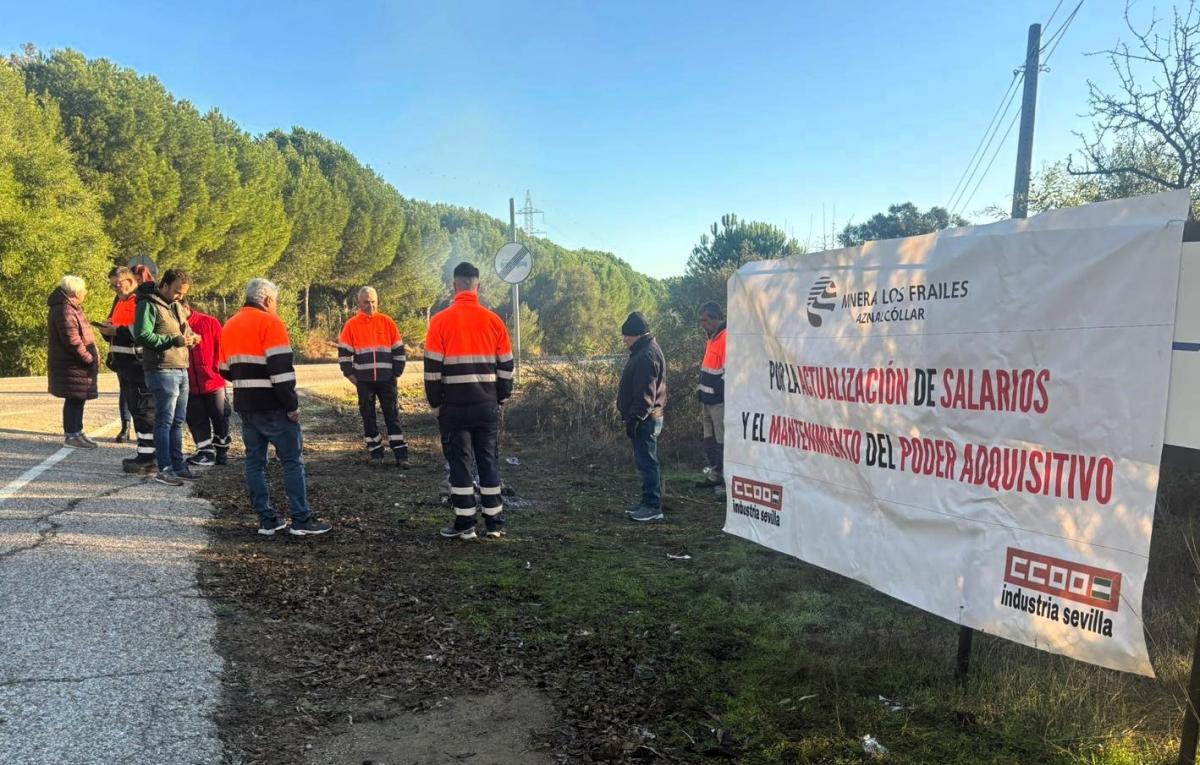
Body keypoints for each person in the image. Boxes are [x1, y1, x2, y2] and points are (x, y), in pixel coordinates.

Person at [219, 278, 330, 537]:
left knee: (255, 463)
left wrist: (247, 383)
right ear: (268, 300)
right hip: (273, 405)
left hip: (245, 404)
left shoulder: (230, 324)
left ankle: (266, 519)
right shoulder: (271, 322)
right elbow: (280, 371)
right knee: (292, 461)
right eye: (275, 302)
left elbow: (224, 369)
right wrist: (291, 405)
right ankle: (301, 519)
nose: (276, 306)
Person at [425, 262, 513, 540]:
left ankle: (465, 524)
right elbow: (507, 367)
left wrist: (435, 402)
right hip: (486, 405)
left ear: (454, 286)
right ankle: (495, 523)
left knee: (460, 464)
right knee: (488, 461)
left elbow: (432, 370)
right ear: (479, 286)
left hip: (454, 407)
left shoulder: (440, 321)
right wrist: (501, 397)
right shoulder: (494, 321)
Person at [133, 268, 199, 486]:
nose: (180, 296)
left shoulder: (177, 306)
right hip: (161, 369)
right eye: (177, 292)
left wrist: (193, 337)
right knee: (165, 420)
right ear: (164, 286)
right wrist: (173, 341)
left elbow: (185, 331)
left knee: (178, 421)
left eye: (183, 293)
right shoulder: (148, 304)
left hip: (180, 367)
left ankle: (178, 465)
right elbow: (143, 335)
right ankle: (165, 468)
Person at [338, 286, 409, 466]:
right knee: (368, 416)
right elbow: (344, 355)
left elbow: (399, 350)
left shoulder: (387, 322)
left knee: (392, 415)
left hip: (387, 380)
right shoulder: (351, 325)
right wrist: (351, 375)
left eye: (373, 302)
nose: (370, 305)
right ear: (359, 303)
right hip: (364, 381)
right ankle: (376, 453)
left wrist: (396, 372)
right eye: (366, 302)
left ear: (377, 301)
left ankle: (401, 455)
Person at [98, 267, 158, 472]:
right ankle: (145, 453)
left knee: (144, 411)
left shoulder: (140, 301)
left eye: (118, 283)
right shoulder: (120, 301)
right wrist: (107, 330)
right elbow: (117, 330)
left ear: (131, 280)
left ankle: (150, 457)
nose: (115, 288)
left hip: (138, 365)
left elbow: (140, 330)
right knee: (136, 409)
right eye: (112, 284)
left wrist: (117, 331)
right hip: (124, 365)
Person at [617, 311, 668, 522]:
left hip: (646, 419)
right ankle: (647, 502)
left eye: (626, 336)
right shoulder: (645, 351)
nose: (624, 340)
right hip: (646, 417)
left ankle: (652, 506)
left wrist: (635, 419)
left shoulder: (646, 355)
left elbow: (645, 393)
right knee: (645, 461)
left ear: (637, 334)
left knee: (647, 462)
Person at [47, 276, 100, 449]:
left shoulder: (70, 307)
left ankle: (77, 431)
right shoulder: (64, 309)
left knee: (78, 398)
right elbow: (71, 340)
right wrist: (88, 358)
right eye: (83, 290)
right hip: (72, 364)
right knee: (74, 398)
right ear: (75, 292)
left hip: (75, 364)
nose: (85, 293)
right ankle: (71, 435)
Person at [184, 306, 230, 467]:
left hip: (213, 381)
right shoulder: (172, 325)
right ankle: (205, 452)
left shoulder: (209, 322)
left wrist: (218, 371)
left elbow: (222, 347)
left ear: (185, 307)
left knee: (219, 415)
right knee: (196, 419)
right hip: (189, 384)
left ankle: (222, 448)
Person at [695, 302, 727, 496]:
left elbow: (728, 371)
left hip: (719, 401)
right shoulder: (712, 338)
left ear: (716, 318)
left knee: (722, 441)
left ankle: (724, 480)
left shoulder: (726, 337)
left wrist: (718, 392)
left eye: (705, 320)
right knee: (710, 440)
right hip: (707, 399)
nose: (702, 324)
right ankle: (714, 475)